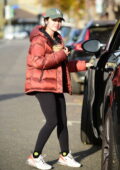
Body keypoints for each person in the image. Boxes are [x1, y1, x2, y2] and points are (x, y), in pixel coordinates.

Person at [25, 8, 93, 170]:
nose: (57, 23)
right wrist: (62, 54)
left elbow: (62, 65)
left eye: (59, 20)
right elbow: (38, 62)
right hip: (41, 85)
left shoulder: (57, 39)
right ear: (46, 20)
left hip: (56, 85)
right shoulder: (39, 40)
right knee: (52, 121)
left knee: (62, 121)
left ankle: (64, 155)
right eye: (54, 20)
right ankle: (35, 156)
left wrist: (86, 65)